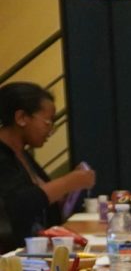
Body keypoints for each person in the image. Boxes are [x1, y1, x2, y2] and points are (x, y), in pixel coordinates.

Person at [0, 82, 96, 251]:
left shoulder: (22, 154)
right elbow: (17, 206)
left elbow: (42, 201)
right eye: (48, 122)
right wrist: (69, 182)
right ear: (21, 118)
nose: (51, 130)